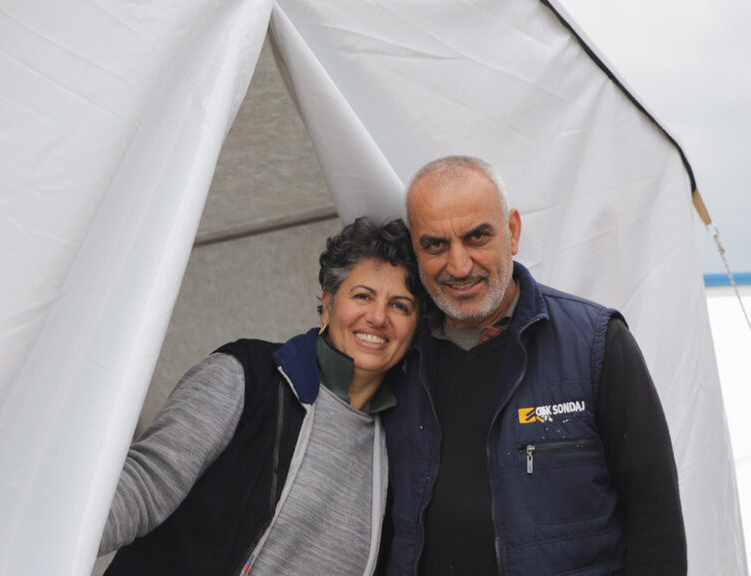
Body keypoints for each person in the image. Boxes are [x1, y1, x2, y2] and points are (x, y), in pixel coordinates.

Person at [379, 156, 687, 575]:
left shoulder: (595, 343)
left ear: (513, 231)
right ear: (415, 249)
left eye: (476, 237)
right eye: (435, 244)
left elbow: (657, 522)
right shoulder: (393, 356)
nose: (459, 265)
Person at [99, 217, 422, 576]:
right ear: (329, 305)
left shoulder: (405, 445)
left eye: (400, 305)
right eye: (363, 295)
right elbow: (144, 486)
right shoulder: (245, 375)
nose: (378, 317)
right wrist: (43, 537)